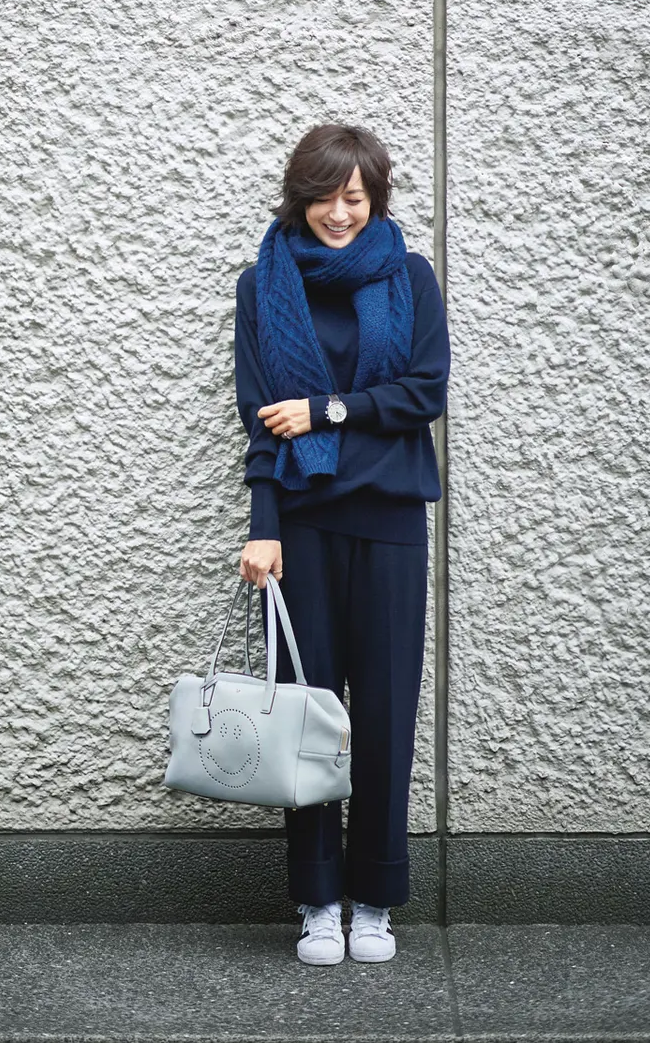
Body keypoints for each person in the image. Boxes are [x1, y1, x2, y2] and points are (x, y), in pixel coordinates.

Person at [235, 122, 449, 966]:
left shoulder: (409, 276)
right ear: (300, 198)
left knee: (386, 714)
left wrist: (329, 411)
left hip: (390, 519)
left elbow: (424, 391)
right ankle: (318, 899)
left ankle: (376, 900)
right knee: (307, 717)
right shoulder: (263, 285)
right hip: (303, 524)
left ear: (375, 199)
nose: (339, 212)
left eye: (354, 197)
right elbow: (259, 417)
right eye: (324, 197)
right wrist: (263, 525)